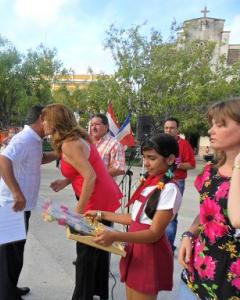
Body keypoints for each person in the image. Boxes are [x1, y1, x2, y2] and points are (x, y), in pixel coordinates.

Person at [87, 133, 181, 300]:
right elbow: (134, 218)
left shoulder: (170, 189)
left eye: (152, 158)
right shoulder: (150, 182)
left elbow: (154, 233)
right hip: (136, 247)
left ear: (170, 159)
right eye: (144, 157)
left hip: (149, 252)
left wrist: (115, 235)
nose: (146, 163)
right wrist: (101, 213)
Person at [44, 103, 122, 300]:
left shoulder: (70, 144)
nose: (43, 122)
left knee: (86, 253)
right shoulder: (75, 139)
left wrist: (76, 215)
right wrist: (66, 181)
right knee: (99, 249)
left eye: (45, 118)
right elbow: (80, 165)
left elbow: (90, 176)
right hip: (102, 195)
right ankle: (98, 293)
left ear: (55, 122)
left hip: (96, 199)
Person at [178, 98, 240, 299]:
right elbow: (207, 212)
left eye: (220, 125)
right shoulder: (210, 172)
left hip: (231, 282)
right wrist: (189, 234)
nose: (211, 130)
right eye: (212, 124)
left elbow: (236, 219)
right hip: (198, 270)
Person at [0, 105, 56, 300]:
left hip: (22, 205)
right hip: (11, 205)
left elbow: (37, 159)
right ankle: (6, 295)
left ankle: (11, 288)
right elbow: (3, 160)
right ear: (42, 118)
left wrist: (58, 154)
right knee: (10, 255)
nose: (54, 126)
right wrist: (16, 192)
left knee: (16, 253)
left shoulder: (35, 139)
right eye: (52, 120)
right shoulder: (24, 138)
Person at [163, 117, 196, 250]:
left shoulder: (184, 144)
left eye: (172, 128)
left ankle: (168, 247)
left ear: (178, 130)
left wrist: (177, 164)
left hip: (177, 181)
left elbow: (192, 165)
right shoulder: (160, 143)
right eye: (166, 128)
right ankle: (159, 243)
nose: (168, 130)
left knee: (171, 215)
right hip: (160, 179)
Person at [90, 113, 126, 177]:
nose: (93, 128)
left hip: (103, 185)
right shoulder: (87, 142)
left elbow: (119, 169)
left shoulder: (114, 144)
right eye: (92, 125)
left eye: (97, 124)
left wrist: (95, 174)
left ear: (106, 127)